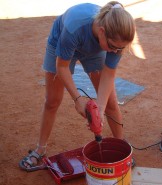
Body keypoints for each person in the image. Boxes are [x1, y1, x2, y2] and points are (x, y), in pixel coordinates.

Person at [19, 1, 136, 171]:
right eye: (113, 47)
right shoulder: (75, 28)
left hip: (95, 49)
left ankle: (121, 150)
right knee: (52, 101)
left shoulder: (116, 42)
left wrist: (100, 109)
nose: (115, 52)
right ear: (102, 32)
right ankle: (40, 149)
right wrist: (77, 99)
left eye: (120, 49)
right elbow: (62, 66)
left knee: (110, 103)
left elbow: (109, 74)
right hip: (62, 45)